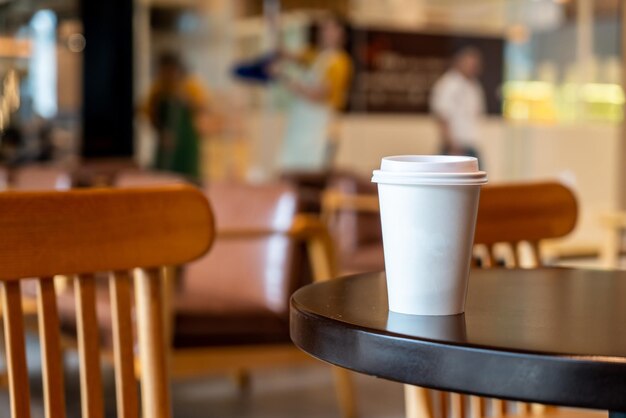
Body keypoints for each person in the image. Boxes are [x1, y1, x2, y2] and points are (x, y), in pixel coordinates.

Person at [274, 14, 353, 171]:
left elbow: (317, 95)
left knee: (312, 172)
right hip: (301, 127)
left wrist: (285, 78)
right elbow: (283, 53)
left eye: (330, 28)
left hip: (319, 129)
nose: (325, 32)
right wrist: (276, 26)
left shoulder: (340, 63)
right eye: (324, 28)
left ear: (341, 32)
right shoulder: (316, 55)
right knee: (291, 170)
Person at [142, 53, 210, 182]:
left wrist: (186, 99)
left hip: (187, 140)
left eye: (171, 70)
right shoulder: (157, 89)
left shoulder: (190, 86)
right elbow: (151, 114)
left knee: (190, 176)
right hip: (166, 140)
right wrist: (162, 133)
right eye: (164, 71)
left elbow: (202, 107)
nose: (168, 74)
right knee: (164, 177)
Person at [430, 47, 486, 160]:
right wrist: (451, 145)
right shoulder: (448, 84)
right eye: (469, 63)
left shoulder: (474, 85)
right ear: (459, 62)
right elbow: (442, 116)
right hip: (455, 147)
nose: (472, 67)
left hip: (471, 144)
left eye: (475, 64)